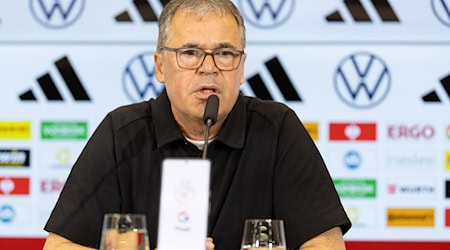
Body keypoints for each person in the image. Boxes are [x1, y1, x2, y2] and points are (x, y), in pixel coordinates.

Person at [43, 0, 351, 249]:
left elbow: (326, 244)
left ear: (241, 68)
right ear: (161, 66)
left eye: (225, 53)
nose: (209, 68)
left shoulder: (277, 128)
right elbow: (60, 245)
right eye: (190, 53)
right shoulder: (121, 133)